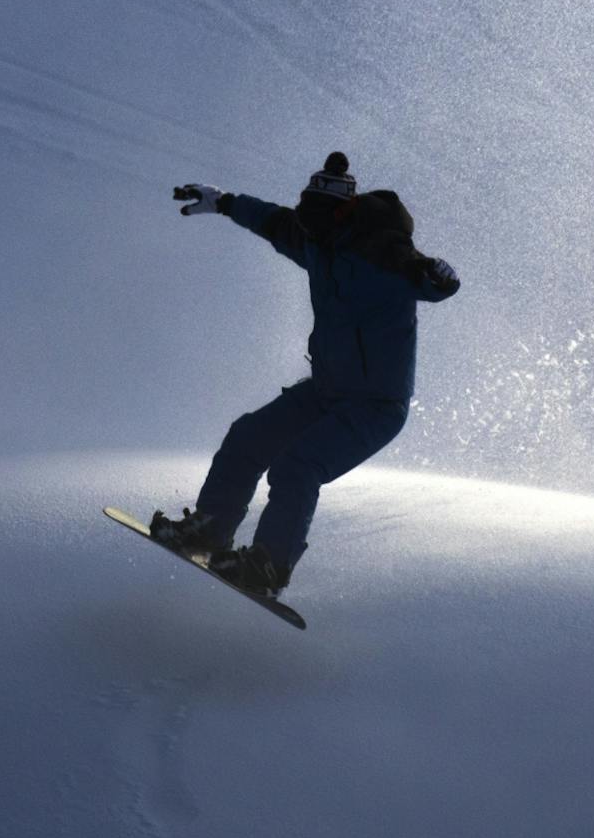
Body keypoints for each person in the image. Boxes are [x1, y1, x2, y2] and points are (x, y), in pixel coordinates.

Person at [151, 152, 459, 598]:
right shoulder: (315, 238)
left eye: (317, 220)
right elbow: (272, 221)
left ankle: (269, 566)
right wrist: (223, 202)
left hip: (375, 406)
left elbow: (428, 281)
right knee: (247, 436)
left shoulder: (384, 253)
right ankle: (210, 530)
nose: (309, 228)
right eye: (306, 217)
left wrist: (440, 278)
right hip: (326, 391)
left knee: (297, 465)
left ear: (343, 213)